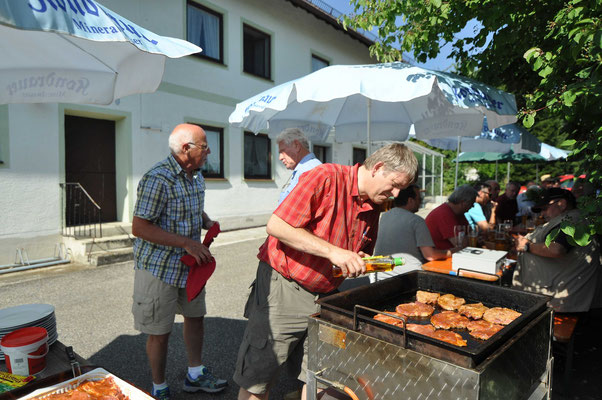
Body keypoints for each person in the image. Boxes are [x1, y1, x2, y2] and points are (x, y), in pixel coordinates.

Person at [234, 143, 418, 400]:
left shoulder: (374, 204)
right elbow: (278, 225)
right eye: (394, 184)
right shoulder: (326, 177)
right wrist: (333, 252)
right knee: (258, 379)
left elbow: (353, 249)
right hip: (284, 287)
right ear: (378, 167)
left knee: (320, 373)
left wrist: (356, 259)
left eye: (402, 188)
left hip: (326, 295)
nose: (396, 194)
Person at [131, 124, 227, 400]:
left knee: (195, 318)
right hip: (158, 267)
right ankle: (159, 387)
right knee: (159, 331)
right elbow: (140, 227)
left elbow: (191, 206)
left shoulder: (196, 175)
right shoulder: (157, 178)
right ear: (186, 149)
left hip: (191, 266)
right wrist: (186, 242)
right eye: (204, 146)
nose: (209, 151)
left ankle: (195, 375)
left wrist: (206, 221)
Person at [512, 188, 600, 312]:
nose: (542, 214)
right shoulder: (570, 218)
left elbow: (557, 249)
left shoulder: (571, 220)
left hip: (565, 304)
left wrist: (527, 246)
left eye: (545, 208)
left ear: (562, 204)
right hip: (560, 297)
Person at [371, 184, 452, 282]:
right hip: (409, 278)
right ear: (410, 201)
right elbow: (430, 255)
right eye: (419, 198)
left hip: (380, 276)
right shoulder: (417, 221)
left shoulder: (384, 216)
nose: (420, 201)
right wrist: (451, 252)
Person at [276, 128, 322, 204]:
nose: (280, 158)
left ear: (296, 146)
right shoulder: (308, 168)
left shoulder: (306, 171)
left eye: (283, 151)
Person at [425, 184, 477, 250]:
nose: (473, 206)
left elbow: (471, 233)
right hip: (442, 258)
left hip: (454, 255)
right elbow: (462, 244)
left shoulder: (459, 213)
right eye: (472, 203)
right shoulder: (444, 214)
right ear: (464, 203)